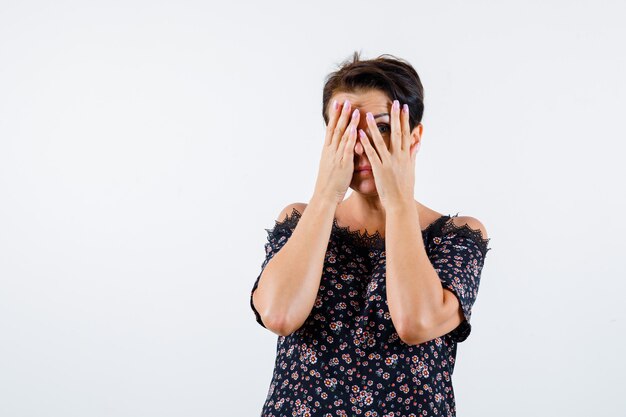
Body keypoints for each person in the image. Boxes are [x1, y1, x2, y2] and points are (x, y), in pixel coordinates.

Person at [249, 52, 492, 417]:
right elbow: (279, 315)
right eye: (345, 130)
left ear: (413, 136)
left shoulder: (457, 236)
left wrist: (397, 201)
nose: (360, 147)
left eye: (380, 128)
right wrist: (326, 195)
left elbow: (416, 322)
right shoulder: (300, 219)